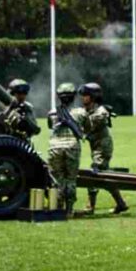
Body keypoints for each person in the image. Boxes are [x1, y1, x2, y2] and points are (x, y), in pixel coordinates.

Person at [78, 83, 129, 215]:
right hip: (96, 146)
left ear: (93, 97)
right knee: (105, 177)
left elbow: (90, 125)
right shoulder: (88, 110)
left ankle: (90, 207)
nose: (83, 98)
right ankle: (121, 204)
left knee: (94, 173)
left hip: (102, 147)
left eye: (86, 95)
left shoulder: (100, 112)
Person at [47, 83, 86, 213]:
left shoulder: (52, 113)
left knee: (57, 179)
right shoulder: (81, 112)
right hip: (72, 147)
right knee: (71, 179)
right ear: (74, 96)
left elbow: (50, 126)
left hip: (55, 147)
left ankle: (58, 208)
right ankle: (69, 209)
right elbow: (86, 128)